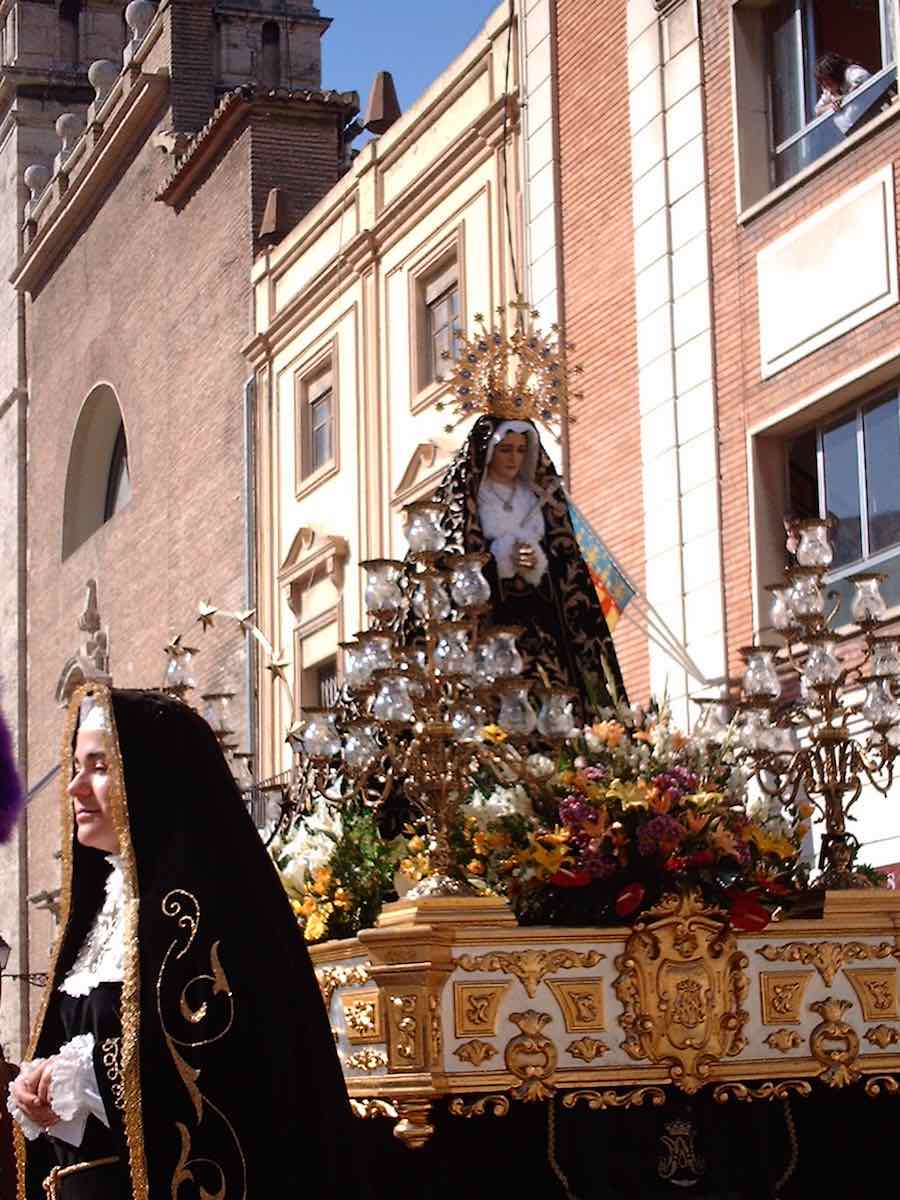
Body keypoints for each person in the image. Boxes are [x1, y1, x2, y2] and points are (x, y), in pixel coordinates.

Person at [8, 685, 356, 1199]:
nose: (76, 788)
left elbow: (230, 1060)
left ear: (151, 778)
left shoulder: (204, 910)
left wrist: (83, 1077)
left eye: (100, 767)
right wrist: (38, 1087)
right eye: (78, 768)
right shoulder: (97, 914)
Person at [433, 414, 626, 715]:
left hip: (540, 617)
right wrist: (500, 562)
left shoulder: (536, 496)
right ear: (488, 451)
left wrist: (539, 564)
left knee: (553, 695)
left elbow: (565, 562)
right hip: (491, 621)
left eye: (521, 450)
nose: (513, 458)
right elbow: (456, 558)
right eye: (506, 449)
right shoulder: (472, 497)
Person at [815, 52, 871, 133]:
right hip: (852, 132)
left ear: (835, 75)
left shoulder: (851, 72)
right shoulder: (828, 90)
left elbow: (862, 79)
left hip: (870, 117)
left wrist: (842, 99)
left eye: (829, 83)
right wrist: (831, 106)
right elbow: (818, 110)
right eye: (825, 85)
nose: (828, 89)